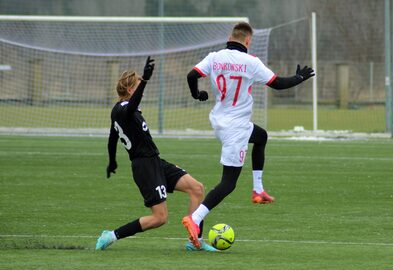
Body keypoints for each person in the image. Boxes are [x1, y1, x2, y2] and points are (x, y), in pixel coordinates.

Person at [182, 22, 315, 248]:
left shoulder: (214, 57)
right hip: (236, 128)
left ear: (230, 37)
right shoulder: (251, 62)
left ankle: (258, 190)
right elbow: (278, 84)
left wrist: (198, 94)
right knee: (228, 183)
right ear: (248, 40)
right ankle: (194, 220)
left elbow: (191, 75)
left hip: (221, 121)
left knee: (261, 136)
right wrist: (299, 78)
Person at [95, 57, 218, 252]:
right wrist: (144, 79)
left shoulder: (123, 111)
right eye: (137, 87)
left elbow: (112, 139)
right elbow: (130, 108)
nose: (142, 91)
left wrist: (112, 162)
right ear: (129, 90)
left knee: (197, 188)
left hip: (155, 162)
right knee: (160, 218)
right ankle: (111, 235)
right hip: (144, 167)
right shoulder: (123, 108)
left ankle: (195, 241)